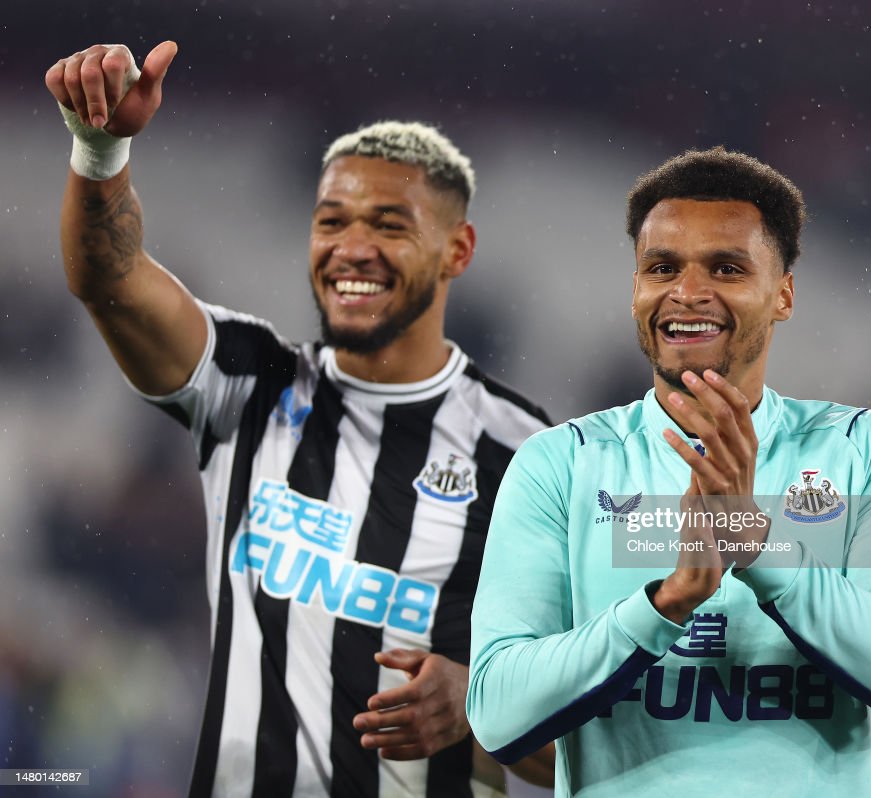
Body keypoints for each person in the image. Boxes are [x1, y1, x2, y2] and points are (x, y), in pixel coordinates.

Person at [45, 41, 554, 797]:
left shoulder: (529, 458)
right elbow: (110, 279)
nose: (353, 248)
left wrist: (481, 708)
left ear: (457, 250)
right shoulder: (250, 385)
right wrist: (100, 152)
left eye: (389, 225)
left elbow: (591, 736)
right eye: (331, 221)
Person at [467, 147, 871, 796]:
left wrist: (761, 549)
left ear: (783, 294)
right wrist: (666, 604)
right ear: (636, 290)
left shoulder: (869, 449)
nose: (688, 292)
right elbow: (497, 714)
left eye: (726, 268)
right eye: (662, 267)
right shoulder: (560, 463)